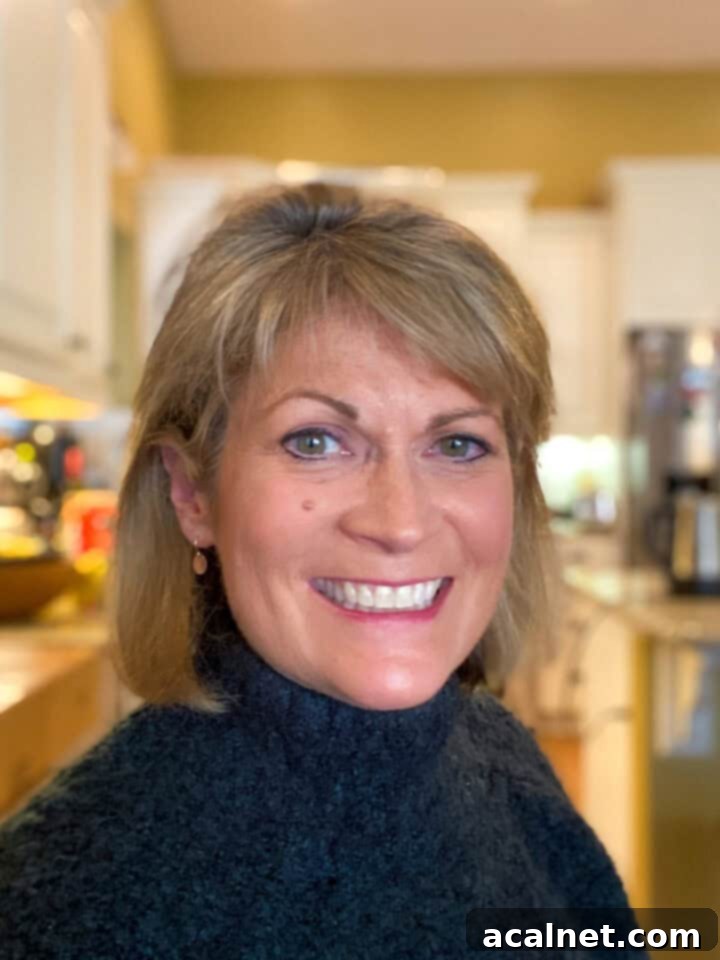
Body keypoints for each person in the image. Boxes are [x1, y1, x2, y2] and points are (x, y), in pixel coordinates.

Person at [0, 182, 645, 958]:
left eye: (458, 444)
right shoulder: (67, 906)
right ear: (192, 491)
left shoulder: (500, 759)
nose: (400, 522)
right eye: (316, 441)